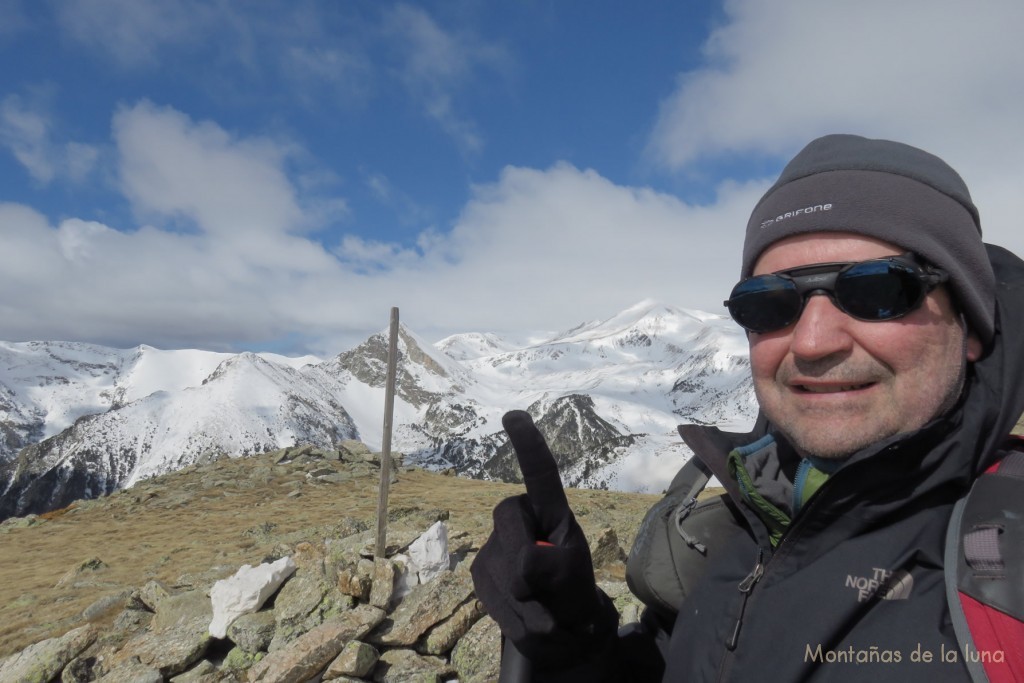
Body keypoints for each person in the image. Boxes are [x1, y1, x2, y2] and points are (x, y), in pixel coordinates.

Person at [471, 134, 1024, 681]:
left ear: (970, 325)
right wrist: (578, 646)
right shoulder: (752, 521)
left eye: (879, 289)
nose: (811, 341)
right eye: (769, 302)